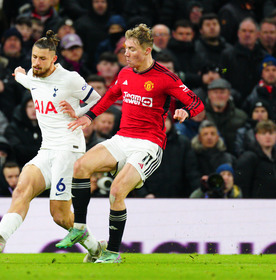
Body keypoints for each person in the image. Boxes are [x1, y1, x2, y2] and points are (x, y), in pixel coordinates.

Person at [55, 24, 204, 263]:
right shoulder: (124, 74)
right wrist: (88, 116)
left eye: (132, 49)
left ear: (147, 50)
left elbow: (197, 102)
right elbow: (110, 97)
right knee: (80, 167)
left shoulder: (165, 78)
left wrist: (186, 111)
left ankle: (113, 252)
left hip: (148, 145)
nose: (126, 53)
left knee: (116, 191)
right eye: (125, 48)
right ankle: (80, 227)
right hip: (123, 138)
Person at [0, 30, 105, 262]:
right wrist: (20, 74)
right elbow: (28, 80)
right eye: (33, 57)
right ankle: (0, 238)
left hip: (68, 150)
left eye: (42, 58)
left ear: (54, 59)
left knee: (60, 215)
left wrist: (80, 114)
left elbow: (98, 99)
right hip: (46, 149)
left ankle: (95, 249)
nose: (36, 63)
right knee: (22, 189)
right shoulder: (33, 74)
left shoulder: (70, 79)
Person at [204, 78, 248, 154]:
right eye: (215, 92)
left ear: (229, 95)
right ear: (209, 94)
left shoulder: (241, 117)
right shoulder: (200, 115)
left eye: (222, 92)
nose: (219, 96)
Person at [235, 120, 276, 198]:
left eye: (271, 133)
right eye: (263, 133)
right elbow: (242, 186)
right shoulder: (249, 158)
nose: (268, 136)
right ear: (257, 136)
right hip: (256, 206)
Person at [4, 95, 42, 168]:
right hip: (20, 168)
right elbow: (18, 151)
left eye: (36, 106)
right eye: (30, 106)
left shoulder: (45, 127)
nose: (34, 109)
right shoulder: (13, 128)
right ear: (24, 108)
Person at [243, 55, 276, 121]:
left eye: (274, 70)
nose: (271, 73)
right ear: (261, 73)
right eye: (267, 70)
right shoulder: (253, 96)